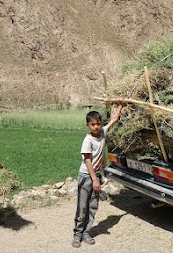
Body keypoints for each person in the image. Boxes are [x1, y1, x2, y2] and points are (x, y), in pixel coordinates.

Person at [72, 102, 124, 248]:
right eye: (93, 124)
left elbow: (114, 119)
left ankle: (86, 233)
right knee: (82, 206)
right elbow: (87, 161)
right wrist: (95, 179)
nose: (96, 127)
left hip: (96, 177)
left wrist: (120, 105)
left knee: (93, 206)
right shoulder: (87, 140)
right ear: (87, 125)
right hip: (86, 176)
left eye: (98, 124)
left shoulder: (102, 133)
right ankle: (77, 235)